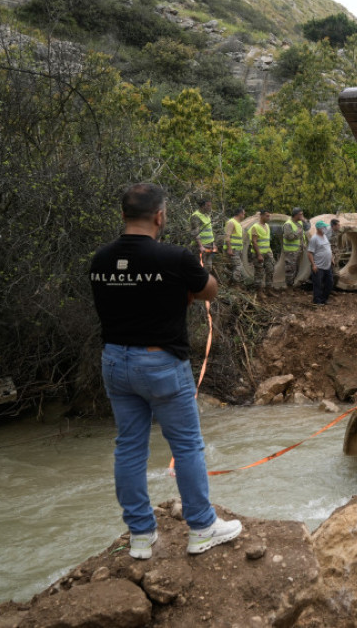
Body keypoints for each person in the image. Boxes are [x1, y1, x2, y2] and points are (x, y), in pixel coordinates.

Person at [89, 183, 242, 560]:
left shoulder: (100, 259)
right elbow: (210, 291)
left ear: (123, 216)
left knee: (128, 448)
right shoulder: (175, 258)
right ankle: (203, 528)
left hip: (114, 361)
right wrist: (183, 290)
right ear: (160, 216)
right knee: (187, 445)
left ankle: (141, 536)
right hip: (161, 364)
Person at [248, 210, 275, 295]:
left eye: (269, 216)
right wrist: (259, 255)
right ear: (261, 216)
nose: (268, 218)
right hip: (258, 253)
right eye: (267, 216)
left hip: (267, 252)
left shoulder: (267, 226)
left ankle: (269, 290)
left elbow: (266, 240)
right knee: (259, 273)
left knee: (270, 270)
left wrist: (270, 251)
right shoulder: (255, 227)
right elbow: (254, 241)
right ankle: (259, 292)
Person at [308, 220, 334, 305]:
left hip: (327, 265)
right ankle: (317, 301)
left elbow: (328, 248)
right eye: (324, 227)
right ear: (319, 228)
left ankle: (324, 299)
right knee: (318, 285)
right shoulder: (314, 238)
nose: (325, 228)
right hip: (318, 266)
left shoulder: (325, 236)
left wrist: (332, 258)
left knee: (329, 283)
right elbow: (310, 253)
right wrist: (313, 265)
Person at [282, 208, 306, 291]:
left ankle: (293, 285)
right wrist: (297, 232)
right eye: (301, 214)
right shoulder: (288, 224)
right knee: (290, 269)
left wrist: (303, 244)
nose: (302, 216)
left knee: (296, 268)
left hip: (298, 249)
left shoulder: (299, 222)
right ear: (296, 215)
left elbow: (302, 234)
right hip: (291, 251)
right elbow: (289, 237)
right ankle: (288, 287)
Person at [189, 198, 216, 274]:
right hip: (202, 246)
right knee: (200, 267)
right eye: (208, 206)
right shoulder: (196, 216)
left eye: (210, 205)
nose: (210, 207)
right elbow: (195, 232)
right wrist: (200, 246)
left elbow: (209, 231)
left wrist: (213, 243)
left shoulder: (207, 215)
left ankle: (205, 283)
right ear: (203, 206)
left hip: (209, 245)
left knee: (208, 267)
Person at [223, 206, 247, 285]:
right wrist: (229, 249)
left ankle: (229, 283)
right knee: (238, 267)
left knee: (234, 267)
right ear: (240, 214)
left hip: (237, 250)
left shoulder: (238, 224)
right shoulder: (231, 222)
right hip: (232, 250)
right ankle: (234, 284)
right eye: (243, 214)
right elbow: (227, 236)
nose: (244, 215)